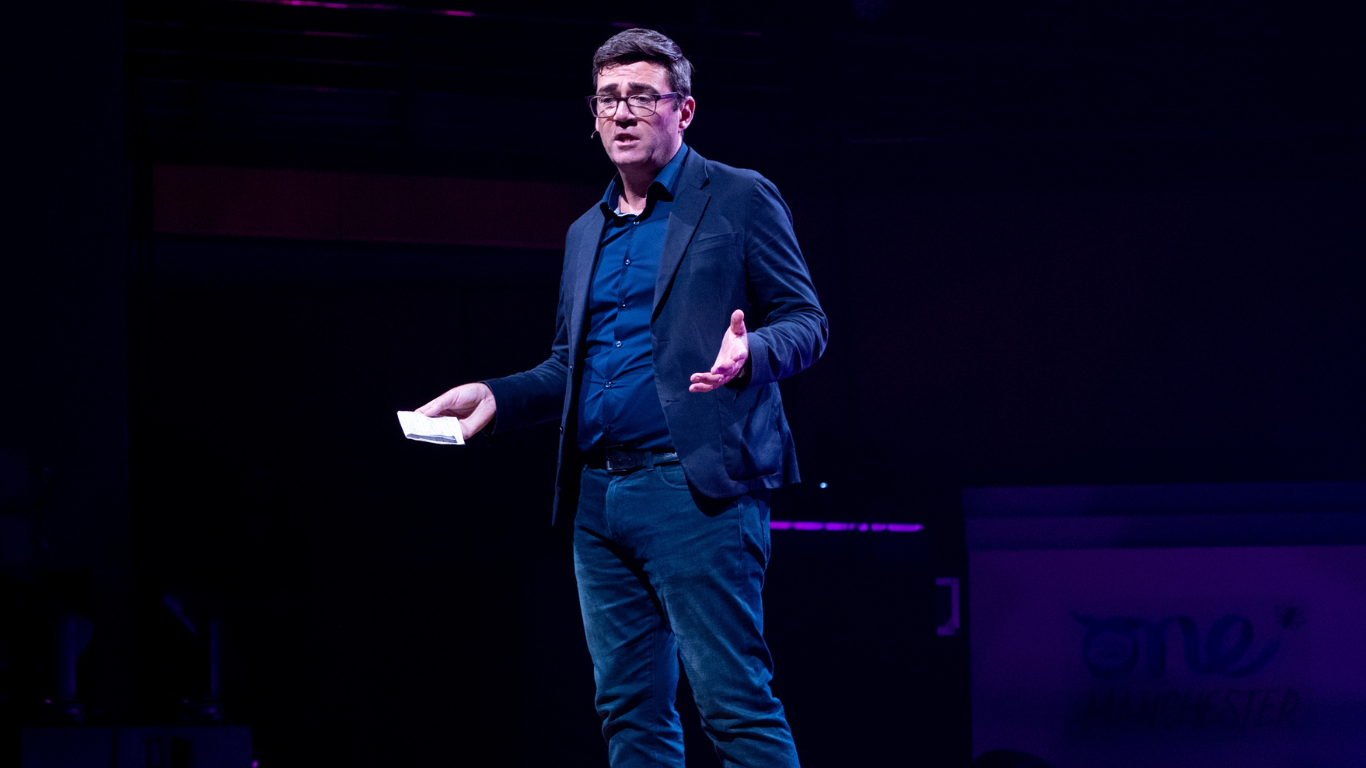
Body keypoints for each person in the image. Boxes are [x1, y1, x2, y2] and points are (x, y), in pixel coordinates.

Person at [416, 28, 826, 767]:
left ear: (684, 109)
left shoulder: (737, 196)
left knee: (733, 706)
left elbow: (806, 321)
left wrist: (752, 354)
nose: (623, 112)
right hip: (598, 500)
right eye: (608, 99)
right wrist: (494, 397)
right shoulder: (586, 231)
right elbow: (567, 367)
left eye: (642, 96)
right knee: (629, 714)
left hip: (695, 492)